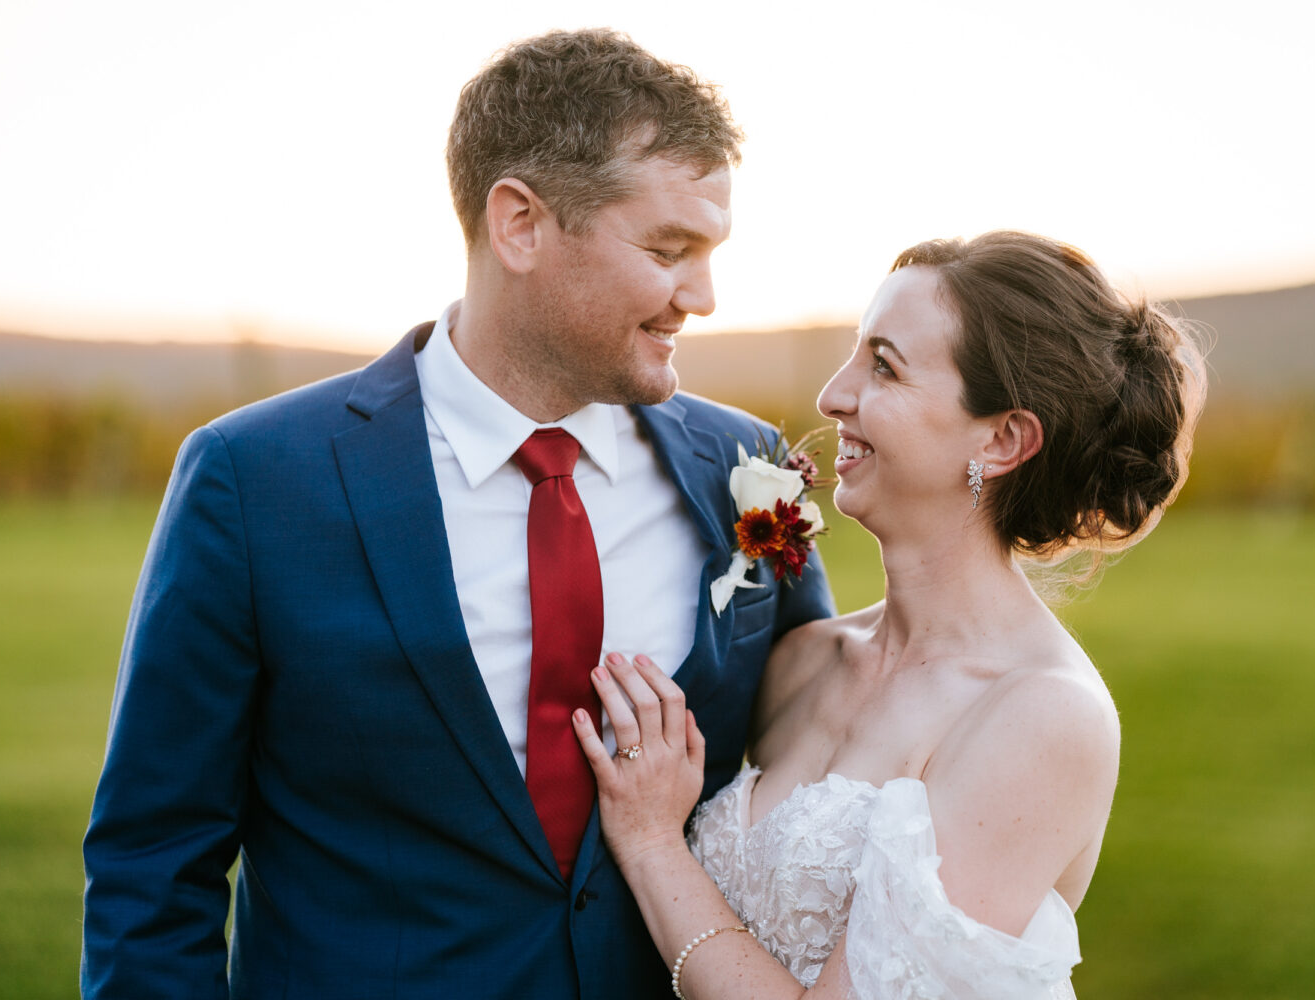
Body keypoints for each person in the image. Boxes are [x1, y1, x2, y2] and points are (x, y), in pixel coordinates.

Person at [80, 28, 834, 1000]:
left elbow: (835, 744)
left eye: (710, 252)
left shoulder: (749, 469)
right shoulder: (253, 478)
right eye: (668, 248)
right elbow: (154, 863)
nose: (705, 295)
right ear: (519, 224)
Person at [572, 230, 1207, 999]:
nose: (832, 396)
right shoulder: (804, 659)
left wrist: (649, 845)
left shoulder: (1043, 717)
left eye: (884, 366)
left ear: (1004, 438)